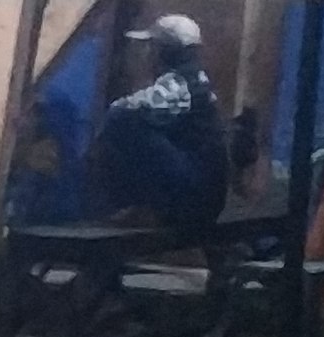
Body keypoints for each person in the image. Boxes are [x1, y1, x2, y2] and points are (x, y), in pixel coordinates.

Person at [94, 13, 227, 230]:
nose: (147, 55)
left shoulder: (184, 82)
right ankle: (147, 206)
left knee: (124, 123)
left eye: (152, 48)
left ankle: (147, 207)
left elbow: (128, 111)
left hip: (195, 196)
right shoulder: (194, 78)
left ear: (165, 51)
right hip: (205, 194)